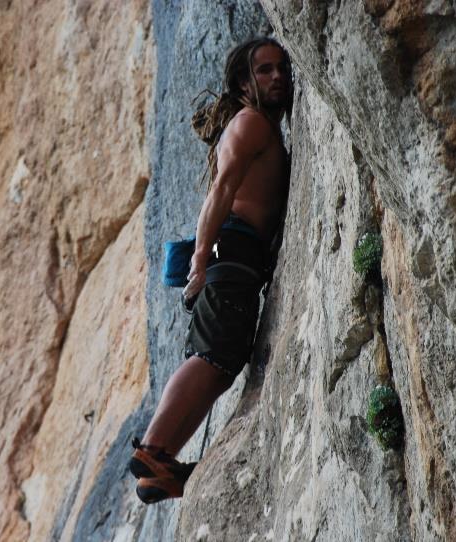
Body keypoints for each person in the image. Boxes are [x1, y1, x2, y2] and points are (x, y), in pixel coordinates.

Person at [130, 37, 293, 504]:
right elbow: (219, 193)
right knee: (210, 355)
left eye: (282, 67)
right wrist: (200, 263)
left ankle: (159, 466)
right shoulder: (252, 123)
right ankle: (153, 448)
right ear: (244, 82)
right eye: (265, 70)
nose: (278, 75)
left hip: (239, 255)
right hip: (231, 252)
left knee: (222, 363)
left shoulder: (258, 125)